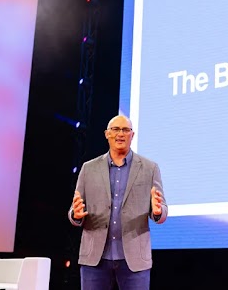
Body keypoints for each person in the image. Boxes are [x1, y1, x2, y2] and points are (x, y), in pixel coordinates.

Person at [69, 115, 167, 290]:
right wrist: (75, 216)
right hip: (94, 259)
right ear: (107, 134)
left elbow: (162, 211)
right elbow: (74, 211)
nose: (120, 134)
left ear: (132, 135)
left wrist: (158, 211)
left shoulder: (150, 168)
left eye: (125, 130)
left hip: (134, 260)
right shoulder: (88, 168)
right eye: (115, 129)